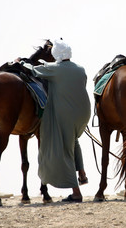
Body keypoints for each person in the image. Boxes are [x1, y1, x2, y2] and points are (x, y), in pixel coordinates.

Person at [17, 39, 91, 202]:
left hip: (66, 114)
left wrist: (22, 62)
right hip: (83, 114)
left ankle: (76, 192)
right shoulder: (80, 69)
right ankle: (82, 174)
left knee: (65, 149)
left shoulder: (54, 69)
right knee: (73, 141)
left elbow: (34, 70)